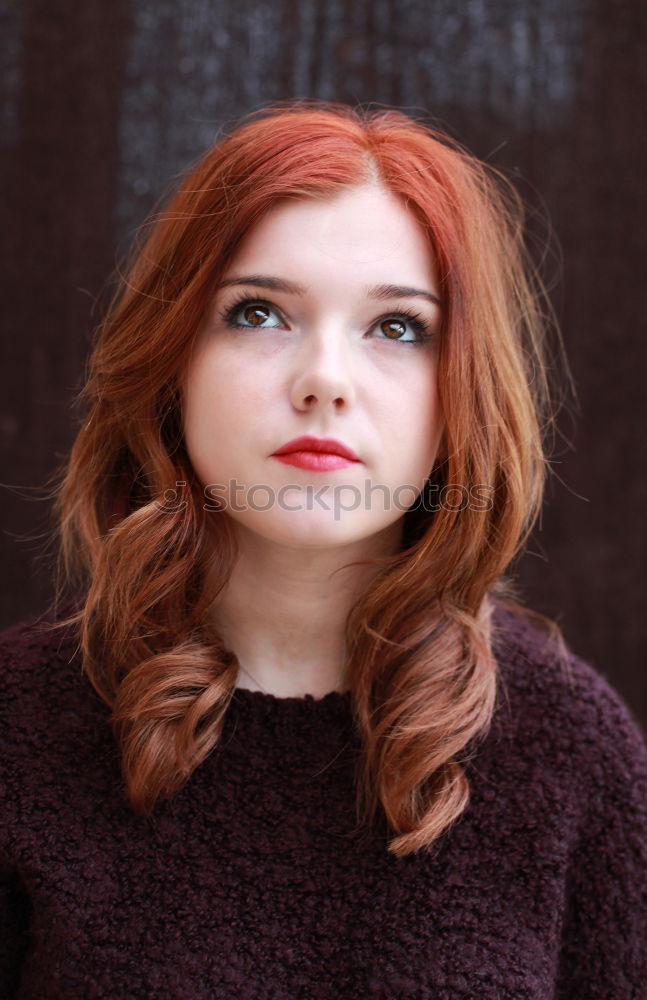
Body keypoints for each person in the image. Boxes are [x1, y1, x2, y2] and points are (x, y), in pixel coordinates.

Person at [1, 100, 645, 999]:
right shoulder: (16, 728)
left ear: (459, 389)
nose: (324, 382)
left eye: (396, 327)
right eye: (259, 313)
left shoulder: (572, 750)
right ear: (171, 360)